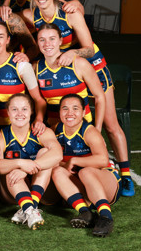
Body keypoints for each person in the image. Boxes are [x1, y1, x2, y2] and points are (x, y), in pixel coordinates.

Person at [25, 0, 133, 196]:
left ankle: (126, 174)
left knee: (111, 124)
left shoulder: (69, 12)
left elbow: (90, 49)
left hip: (88, 63)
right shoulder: (32, 15)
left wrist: (72, 52)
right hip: (60, 66)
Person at [52, 94, 122, 237]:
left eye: (75, 108)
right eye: (65, 109)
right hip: (82, 182)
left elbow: (103, 160)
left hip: (105, 180)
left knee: (86, 172)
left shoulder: (89, 131)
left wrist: (74, 161)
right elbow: (52, 157)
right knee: (57, 172)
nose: (70, 113)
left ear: (84, 112)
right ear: (59, 112)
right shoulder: (56, 129)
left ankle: (106, 217)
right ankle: (85, 212)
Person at [0, 93, 62, 229]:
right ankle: (30, 209)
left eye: (24, 109)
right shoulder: (1, 135)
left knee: (45, 152)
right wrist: (19, 163)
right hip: (11, 193)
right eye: (14, 109)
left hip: (44, 193)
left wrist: (27, 168)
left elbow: (57, 155)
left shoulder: (41, 132)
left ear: (31, 111)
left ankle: (30, 206)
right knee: (10, 165)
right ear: (8, 112)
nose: (19, 113)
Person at [35, 23, 105, 130]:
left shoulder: (79, 64)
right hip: (54, 129)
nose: (47, 44)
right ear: (37, 42)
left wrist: (98, 129)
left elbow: (99, 97)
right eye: (42, 40)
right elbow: (38, 100)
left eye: (52, 39)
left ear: (60, 41)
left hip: (82, 128)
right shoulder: (36, 68)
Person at [0, 21, 46, 134]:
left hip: (16, 126)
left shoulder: (21, 65)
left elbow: (39, 100)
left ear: (7, 40)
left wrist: (39, 120)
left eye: (1, 36)